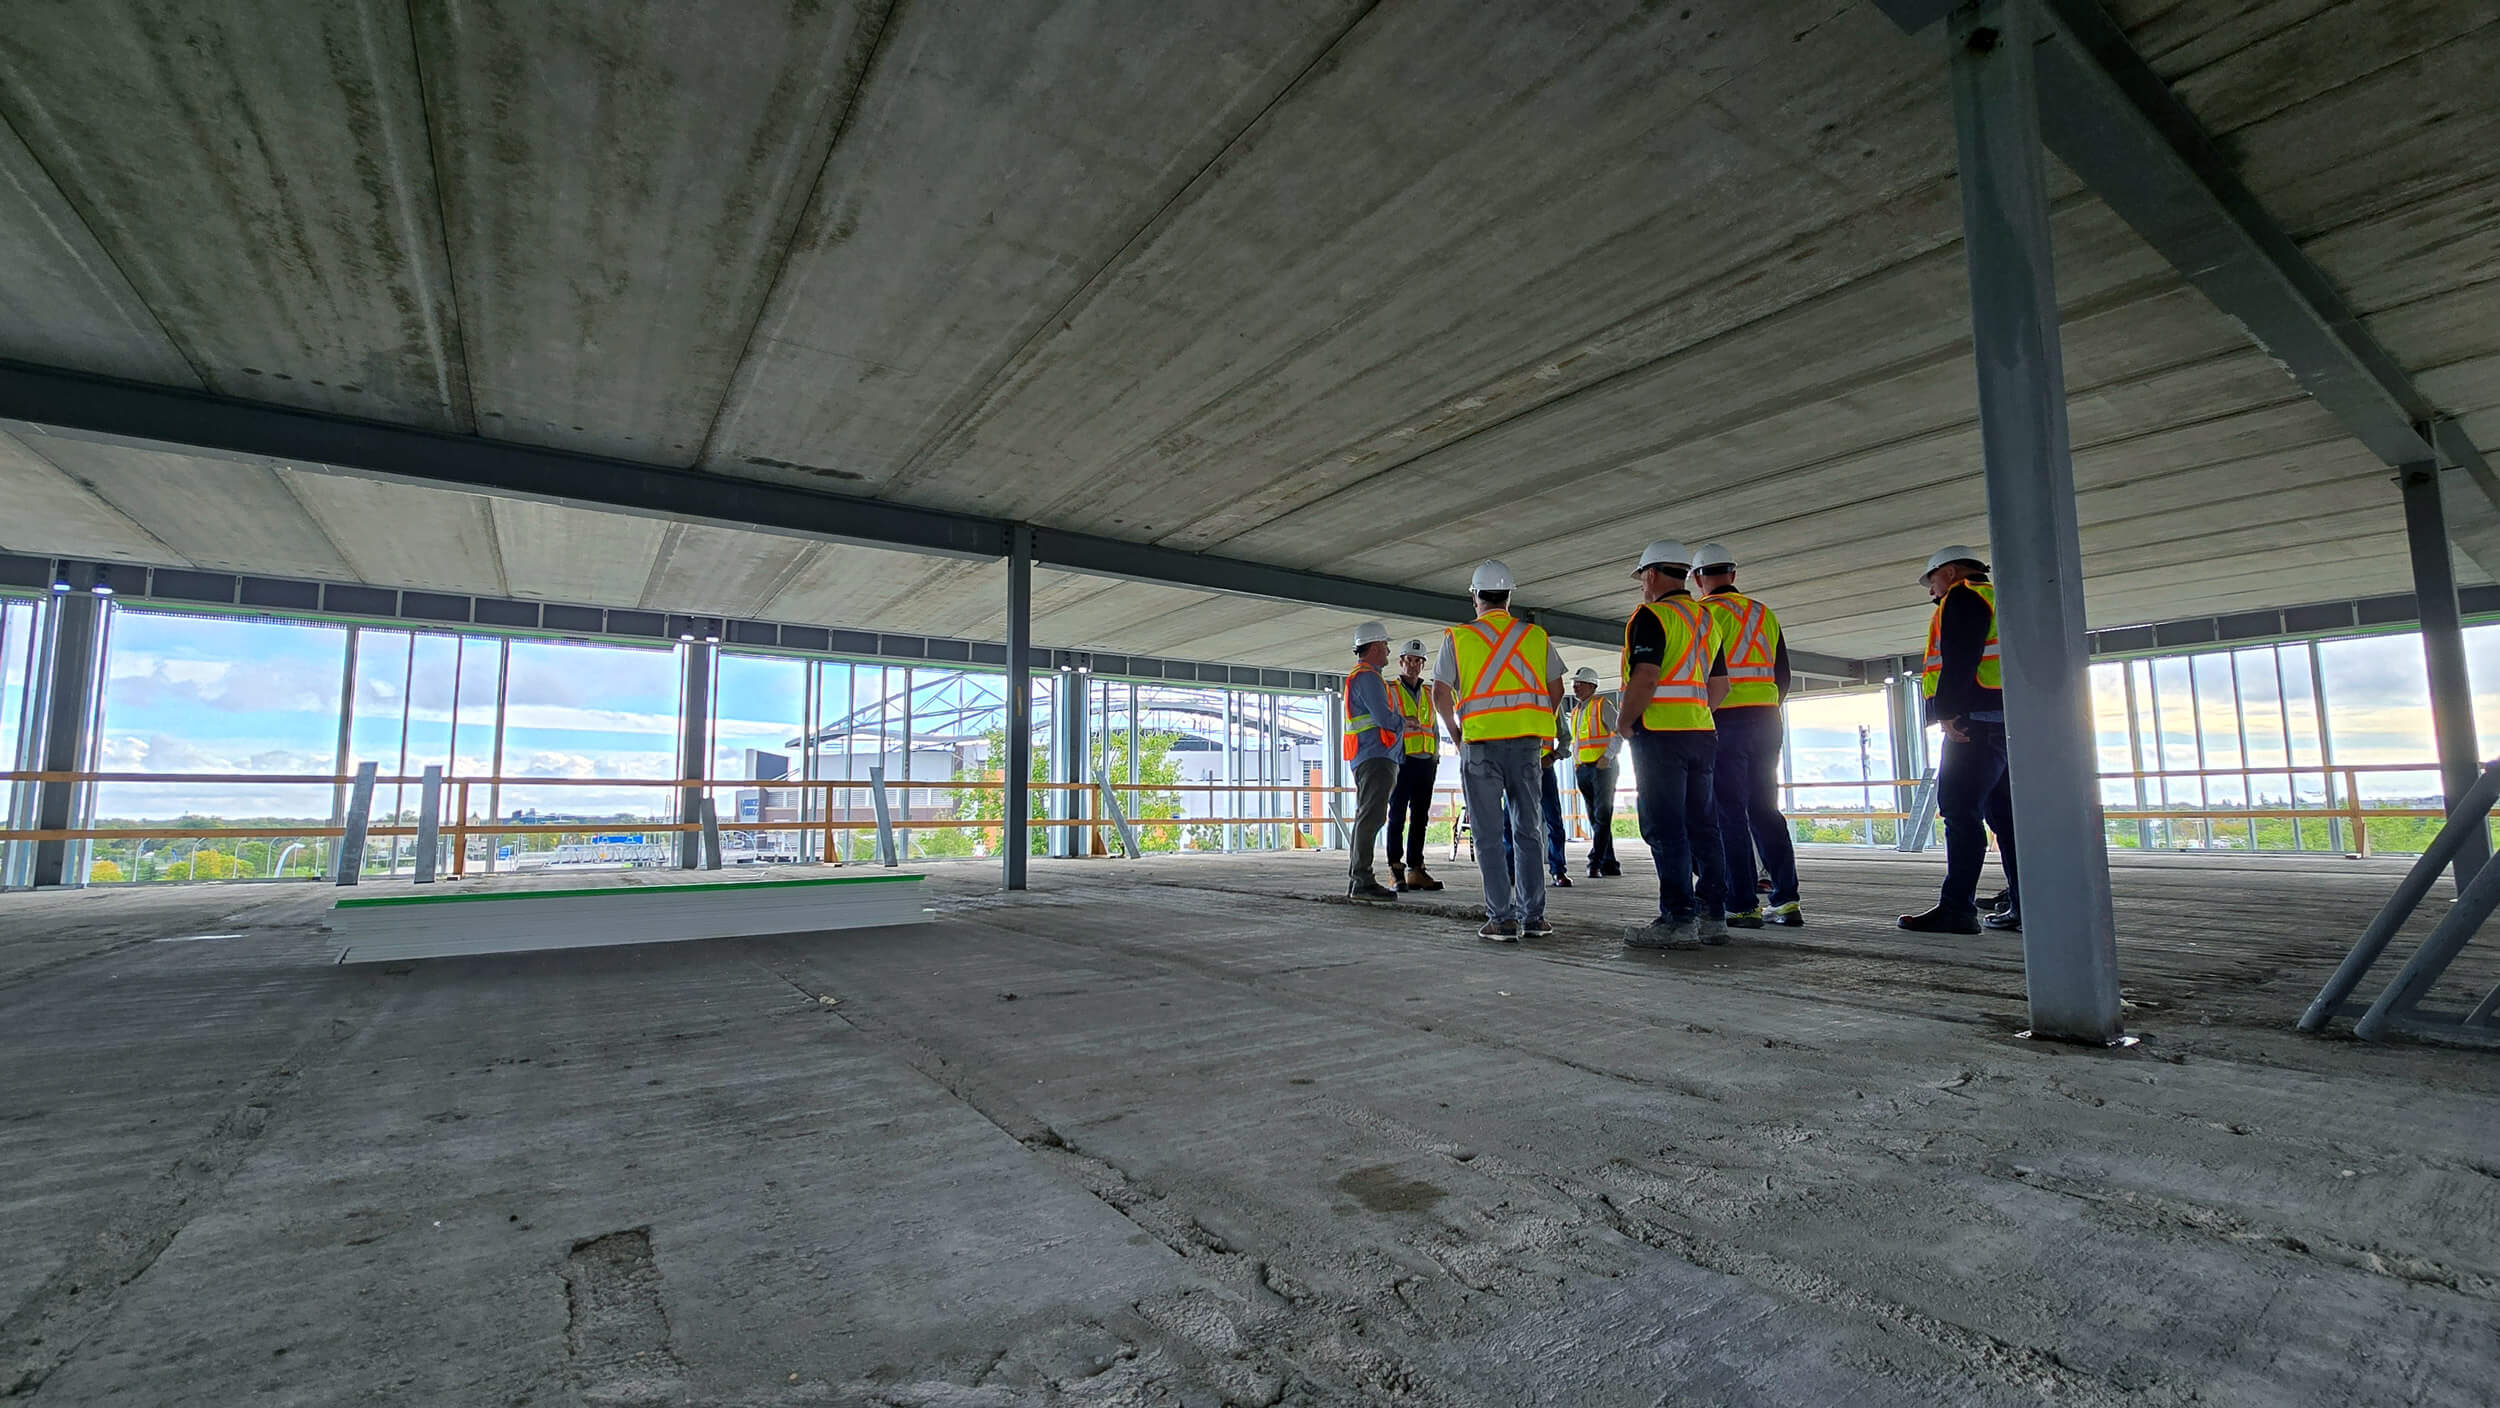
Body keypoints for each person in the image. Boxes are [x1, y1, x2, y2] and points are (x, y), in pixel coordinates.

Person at [1433, 560, 1566, 942]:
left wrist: (1457, 736)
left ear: (1475, 596)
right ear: (1510, 596)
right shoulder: (1535, 636)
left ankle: (1502, 919)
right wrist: (1540, 724)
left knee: (1489, 835)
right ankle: (1534, 917)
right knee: (1529, 830)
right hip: (1526, 747)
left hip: (1480, 746)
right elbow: (1556, 689)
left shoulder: (1459, 638)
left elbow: (1440, 693)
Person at [1898, 546, 2021, 935]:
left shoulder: (1963, 597)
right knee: (2006, 820)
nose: (1931, 591)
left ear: (1948, 572)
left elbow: (1959, 659)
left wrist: (1946, 713)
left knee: (1958, 812)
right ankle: (2027, 904)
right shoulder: (2002, 597)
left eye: (1931, 581)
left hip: (1973, 725)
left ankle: (1957, 908)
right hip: (2007, 723)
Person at [1616, 540, 1732, 950]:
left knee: (1665, 828)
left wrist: (1625, 721)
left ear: (1650, 575)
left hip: (1660, 736)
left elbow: (1645, 677)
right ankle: (1712, 914)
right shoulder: (1705, 620)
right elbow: (1720, 685)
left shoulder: (1651, 616)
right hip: (1702, 734)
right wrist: (1696, 713)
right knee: (1702, 825)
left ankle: (1677, 918)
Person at [1690, 543, 1802, 928]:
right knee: (1765, 809)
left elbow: (1699, 671)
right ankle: (1786, 901)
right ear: (1733, 575)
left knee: (1729, 814)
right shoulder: (1763, 613)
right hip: (1767, 720)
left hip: (1725, 720)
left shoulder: (1702, 615)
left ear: (1697, 578)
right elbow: (1783, 673)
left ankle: (1741, 904)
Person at [1341, 620, 1402, 903]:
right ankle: (1362, 879)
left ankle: (1359, 878)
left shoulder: (1363, 676)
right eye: (1386, 645)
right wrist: (1405, 723)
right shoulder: (1367, 677)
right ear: (1376, 647)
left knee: (1368, 816)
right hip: (1375, 756)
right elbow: (1384, 718)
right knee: (1372, 816)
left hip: (1370, 755)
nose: (1388, 649)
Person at [1384, 639, 1446, 892]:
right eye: (1409, 660)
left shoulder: (1430, 692)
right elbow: (1385, 722)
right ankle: (1395, 869)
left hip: (1426, 762)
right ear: (1401, 662)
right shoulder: (1391, 690)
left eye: (1418, 661)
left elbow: (1434, 728)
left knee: (1420, 816)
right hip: (1401, 761)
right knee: (1397, 815)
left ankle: (1416, 868)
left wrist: (1436, 756)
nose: (1413, 665)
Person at [1500, 702, 1572, 887]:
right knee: (1509, 822)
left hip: (1543, 769)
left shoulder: (1553, 704)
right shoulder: (1514, 701)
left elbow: (1565, 737)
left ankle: (1558, 870)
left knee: (1553, 820)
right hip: (1518, 770)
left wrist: (1554, 756)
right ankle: (1510, 871)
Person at [1568, 666, 1622, 879]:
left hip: (1603, 769)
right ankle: (1610, 863)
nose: (1575, 687)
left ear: (1592, 685)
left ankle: (1595, 862)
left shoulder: (1603, 705)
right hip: (1583, 769)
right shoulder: (1575, 711)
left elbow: (1619, 732)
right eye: (1574, 683)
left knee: (1602, 815)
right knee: (1595, 818)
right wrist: (1577, 762)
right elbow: (1577, 742)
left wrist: (1607, 757)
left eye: (1579, 683)